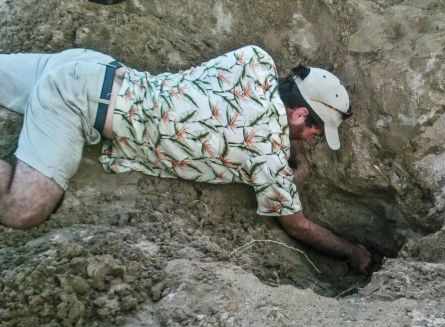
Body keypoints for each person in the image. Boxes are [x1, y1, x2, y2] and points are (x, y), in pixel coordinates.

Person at [0, 46, 374, 273]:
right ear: (299, 115)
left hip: (94, 70)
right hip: (76, 103)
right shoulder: (270, 160)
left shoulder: (255, 61)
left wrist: (284, 144)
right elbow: (298, 226)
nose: (314, 140)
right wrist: (351, 250)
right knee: (23, 209)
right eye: (316, 131)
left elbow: (252, 117)